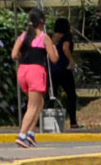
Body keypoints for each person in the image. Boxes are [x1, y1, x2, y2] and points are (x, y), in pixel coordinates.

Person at [12, 16, 63, 147]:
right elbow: (54, 59)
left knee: (39, 103)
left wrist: (23, 57)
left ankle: (30, 133)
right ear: (41, 23)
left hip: (23, 71)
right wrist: (55, 49)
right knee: (33, 106)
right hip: (36, 71)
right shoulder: (44, 37)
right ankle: (22, 135)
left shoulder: (23, 36)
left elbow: (14, 55)